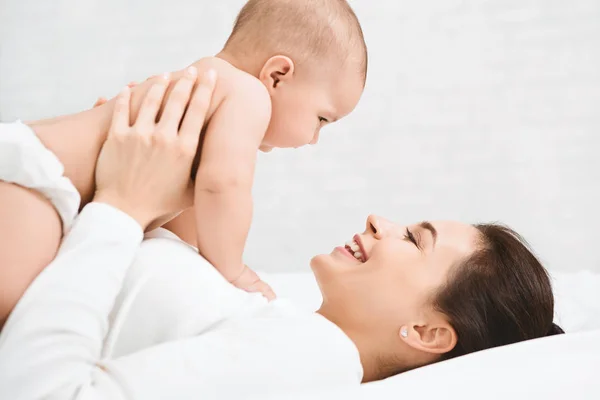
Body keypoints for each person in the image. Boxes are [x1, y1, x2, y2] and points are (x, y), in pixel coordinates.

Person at [0, 68, 563, 400]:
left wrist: (121, 205)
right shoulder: (281, 325)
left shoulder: (312, 360)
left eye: (416, 240)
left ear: (427, 332)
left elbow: (44, 391)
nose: (379, 222)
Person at [0, 0, 368, 327]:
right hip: (39, 179)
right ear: (277, 76)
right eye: (321, 119)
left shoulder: (208, 84)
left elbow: (184, 219)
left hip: (36, 165)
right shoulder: (248, 94)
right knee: (17, 310)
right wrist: (232, 268)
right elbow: (224, 185)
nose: (314, 139)